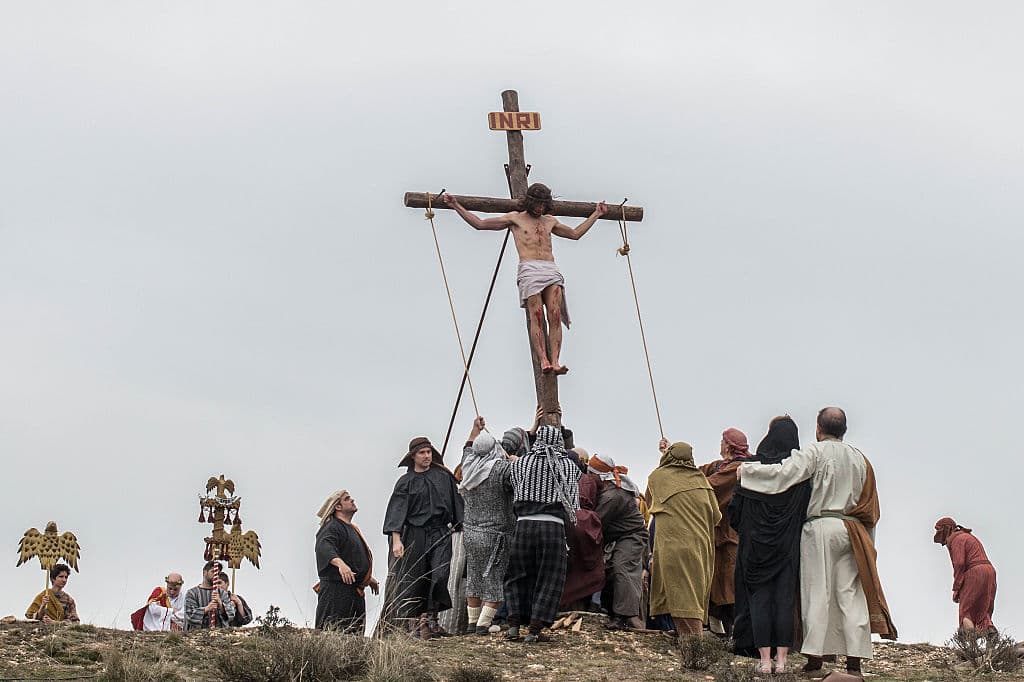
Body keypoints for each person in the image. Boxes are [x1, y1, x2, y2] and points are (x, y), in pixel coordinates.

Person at [737, 407, 897, 676]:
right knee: (850, 594)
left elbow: (783, 475)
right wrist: (869, 543)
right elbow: (870, 509)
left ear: (818, 429)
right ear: (844, 430)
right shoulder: (861, 459)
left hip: (820, 526)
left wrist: (748, 473)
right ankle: (854, 663)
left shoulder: (815, 452)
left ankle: (815, 660)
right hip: (852, 529)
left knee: (816, 593)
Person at [443, 185, 608, 375]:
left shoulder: (549, 221)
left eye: (543, 205)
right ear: (530, 202)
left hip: (549, 268)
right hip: (529, 268)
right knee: (536, 315)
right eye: (537, 204)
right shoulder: (515, 218)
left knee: (554, 314)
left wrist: (596, 214)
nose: (540, 208)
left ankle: (555, 361)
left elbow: (575, 234)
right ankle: (544, 360)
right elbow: (480, 224)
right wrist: (456, 205)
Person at [730, 416, 812, 674]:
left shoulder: (750, 469)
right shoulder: (798, 473)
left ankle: (764, 660)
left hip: (754, 546)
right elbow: (806, 509)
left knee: (759, 599)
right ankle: (783, 660)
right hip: (787, 546)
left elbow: (735, 511)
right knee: (784, 600)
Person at [505, 424, 582, 643]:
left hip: (523, 524)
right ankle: (535, 629)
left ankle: (513, 625)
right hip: (552, 525)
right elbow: (573, 504)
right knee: (550, 577)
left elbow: (514, 487)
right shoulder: (568, 466)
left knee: (517, 574)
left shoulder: (521, 464)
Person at [383, 436, 464, 639]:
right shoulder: (405, 482)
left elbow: (456, 504)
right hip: (414, 535)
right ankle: (413, 624)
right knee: (413, 578)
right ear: (413, 456)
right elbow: (397, 512)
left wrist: (460, 525)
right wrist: (396, 540)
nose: (426, 456)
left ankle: (431, 620)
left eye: (429, 452)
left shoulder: (443, 477)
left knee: (439, 574)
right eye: (422, 453)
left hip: (440, 533)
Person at [645, 440, 721, 636]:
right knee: (692, 592)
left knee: (680, 593)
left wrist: (663, 455)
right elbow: (716, 516)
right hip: (701, 545)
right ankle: (685, 635)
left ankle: (693, 643)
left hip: (674, 544)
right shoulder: (702, 480)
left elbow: (650, 500)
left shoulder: (658, 477)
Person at [459, 417, 516, 635]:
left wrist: (474, 430)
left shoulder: (469, 467)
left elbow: (467, 448)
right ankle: (483, 626)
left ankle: (472, 623)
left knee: (474, 578)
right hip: (496, 534)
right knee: (493, 580)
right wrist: (514, 461)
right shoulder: (501, 470)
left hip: (471, 533)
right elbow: (519, 479)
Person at [698, 428, 754, 638]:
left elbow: (708, 485)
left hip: (731, 533)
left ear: (729, 446)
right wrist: (670, 455)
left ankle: (734, 631)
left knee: (729, 584)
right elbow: (695, 472)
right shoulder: (718, 465)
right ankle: (717, 628)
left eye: (723, 441)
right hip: (716, 534)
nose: (720, 444)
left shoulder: (738, 467)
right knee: (715, 581)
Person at [589, 453, 647, 630]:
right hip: (620, 537)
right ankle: (614, 611)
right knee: (611, 569)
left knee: (622, 568)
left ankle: (623, 616)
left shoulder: (612, 496)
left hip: (632, 536)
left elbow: (597, 522)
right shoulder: (612, 491)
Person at [314, 489, 379, 633]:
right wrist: (340, 564)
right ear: (338, 507)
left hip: (354, 593)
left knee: (355, 643)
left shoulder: (352, 529)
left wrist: (367, 579)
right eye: (347, 499)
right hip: (336, 593)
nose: (352, 500)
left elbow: (353, 557)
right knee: (331, 637)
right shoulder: (332, 527)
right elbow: (324, 546)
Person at [933, 517, 997, 633]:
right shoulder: (968, 536)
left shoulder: (956, 539)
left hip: (974, 572)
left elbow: (959, 563)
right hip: (989, 571)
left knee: (965, 611)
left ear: (946, 529)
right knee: (984, 609)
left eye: (938, 530)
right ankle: (990, 634)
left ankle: (971, 645)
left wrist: (956, 588)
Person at [560, 468, 605, 611]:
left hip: (567, 516)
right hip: (585, 519)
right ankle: (592, 603)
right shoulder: (589, 480)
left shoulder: (561, 474)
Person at [184, 560, 235, 630]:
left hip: (218, 635)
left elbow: (231, 615)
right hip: (197, 636)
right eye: (213, 572)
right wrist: (206, 609)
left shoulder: (222, 594)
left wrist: (221, 605)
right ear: (205, 572)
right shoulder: (192, 593)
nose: (216, 575)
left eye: (218, 573)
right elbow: (189, 615)